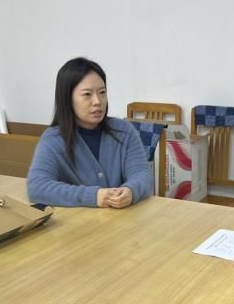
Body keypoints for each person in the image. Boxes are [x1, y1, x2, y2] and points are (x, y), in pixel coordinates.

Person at [27, 57, 152, 208]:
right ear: (67, 98)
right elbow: (37, 187)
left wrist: (131, 191)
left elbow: (142, 174)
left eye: (102, 92)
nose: (97, 101)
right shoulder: (53, 139)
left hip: (122, 218)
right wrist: (93, 196)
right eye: (87, 94)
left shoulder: (124, 130)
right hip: (77, 221)